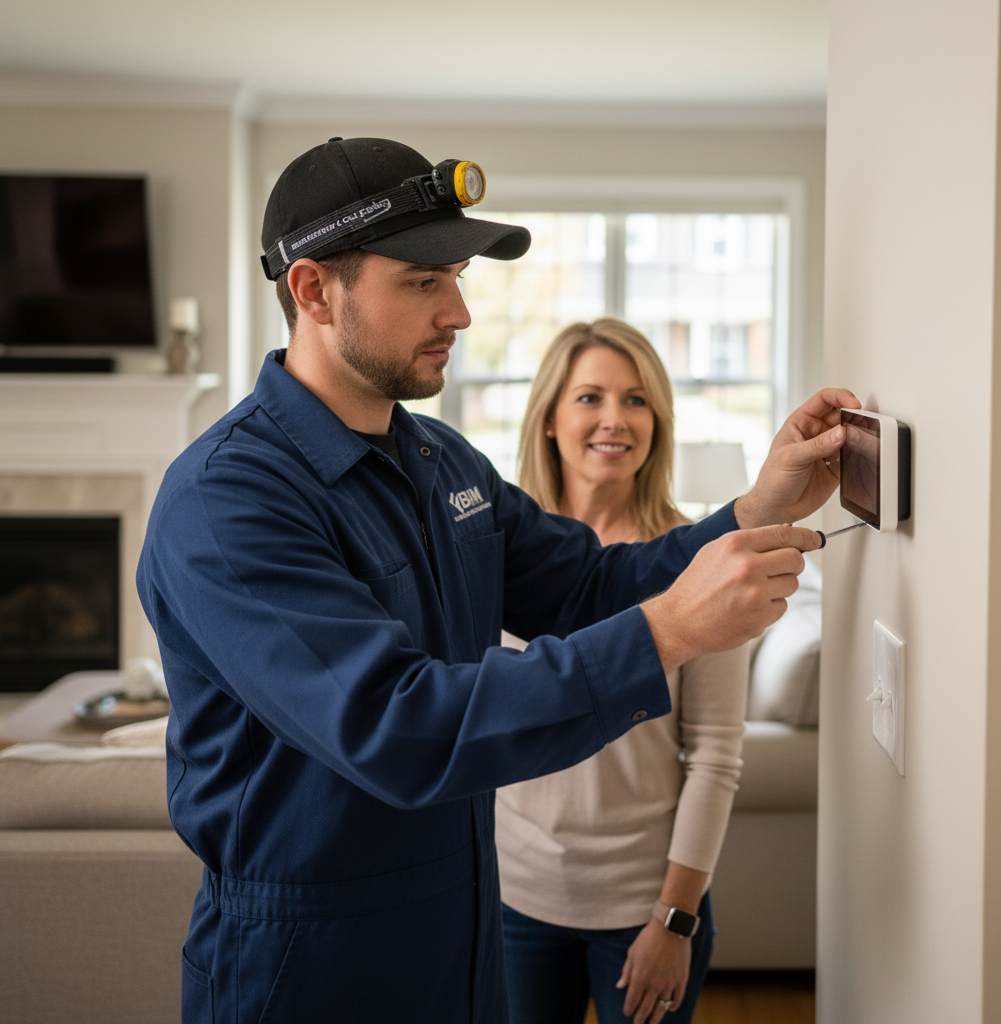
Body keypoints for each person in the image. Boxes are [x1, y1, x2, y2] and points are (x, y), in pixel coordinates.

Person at [136, 136, 856, 1024]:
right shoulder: (224, 500)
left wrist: (751, 510)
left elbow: (589, 585)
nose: (461, 313)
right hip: (310, 960)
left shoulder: (443, 462)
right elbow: (394, 725)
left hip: (465, 927)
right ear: (314, 290)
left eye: (459, 277)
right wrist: (670, 631)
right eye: (422, 281)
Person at [496, 320, 747, 1024]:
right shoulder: (494, 557)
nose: (614, 419)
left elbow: (715, 757)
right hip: (514, 895)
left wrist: (674, 920)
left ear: (658, 422)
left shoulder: (701, 566)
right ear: (549, 418)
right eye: (590, 397)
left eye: (636, 400)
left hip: (645, 905)